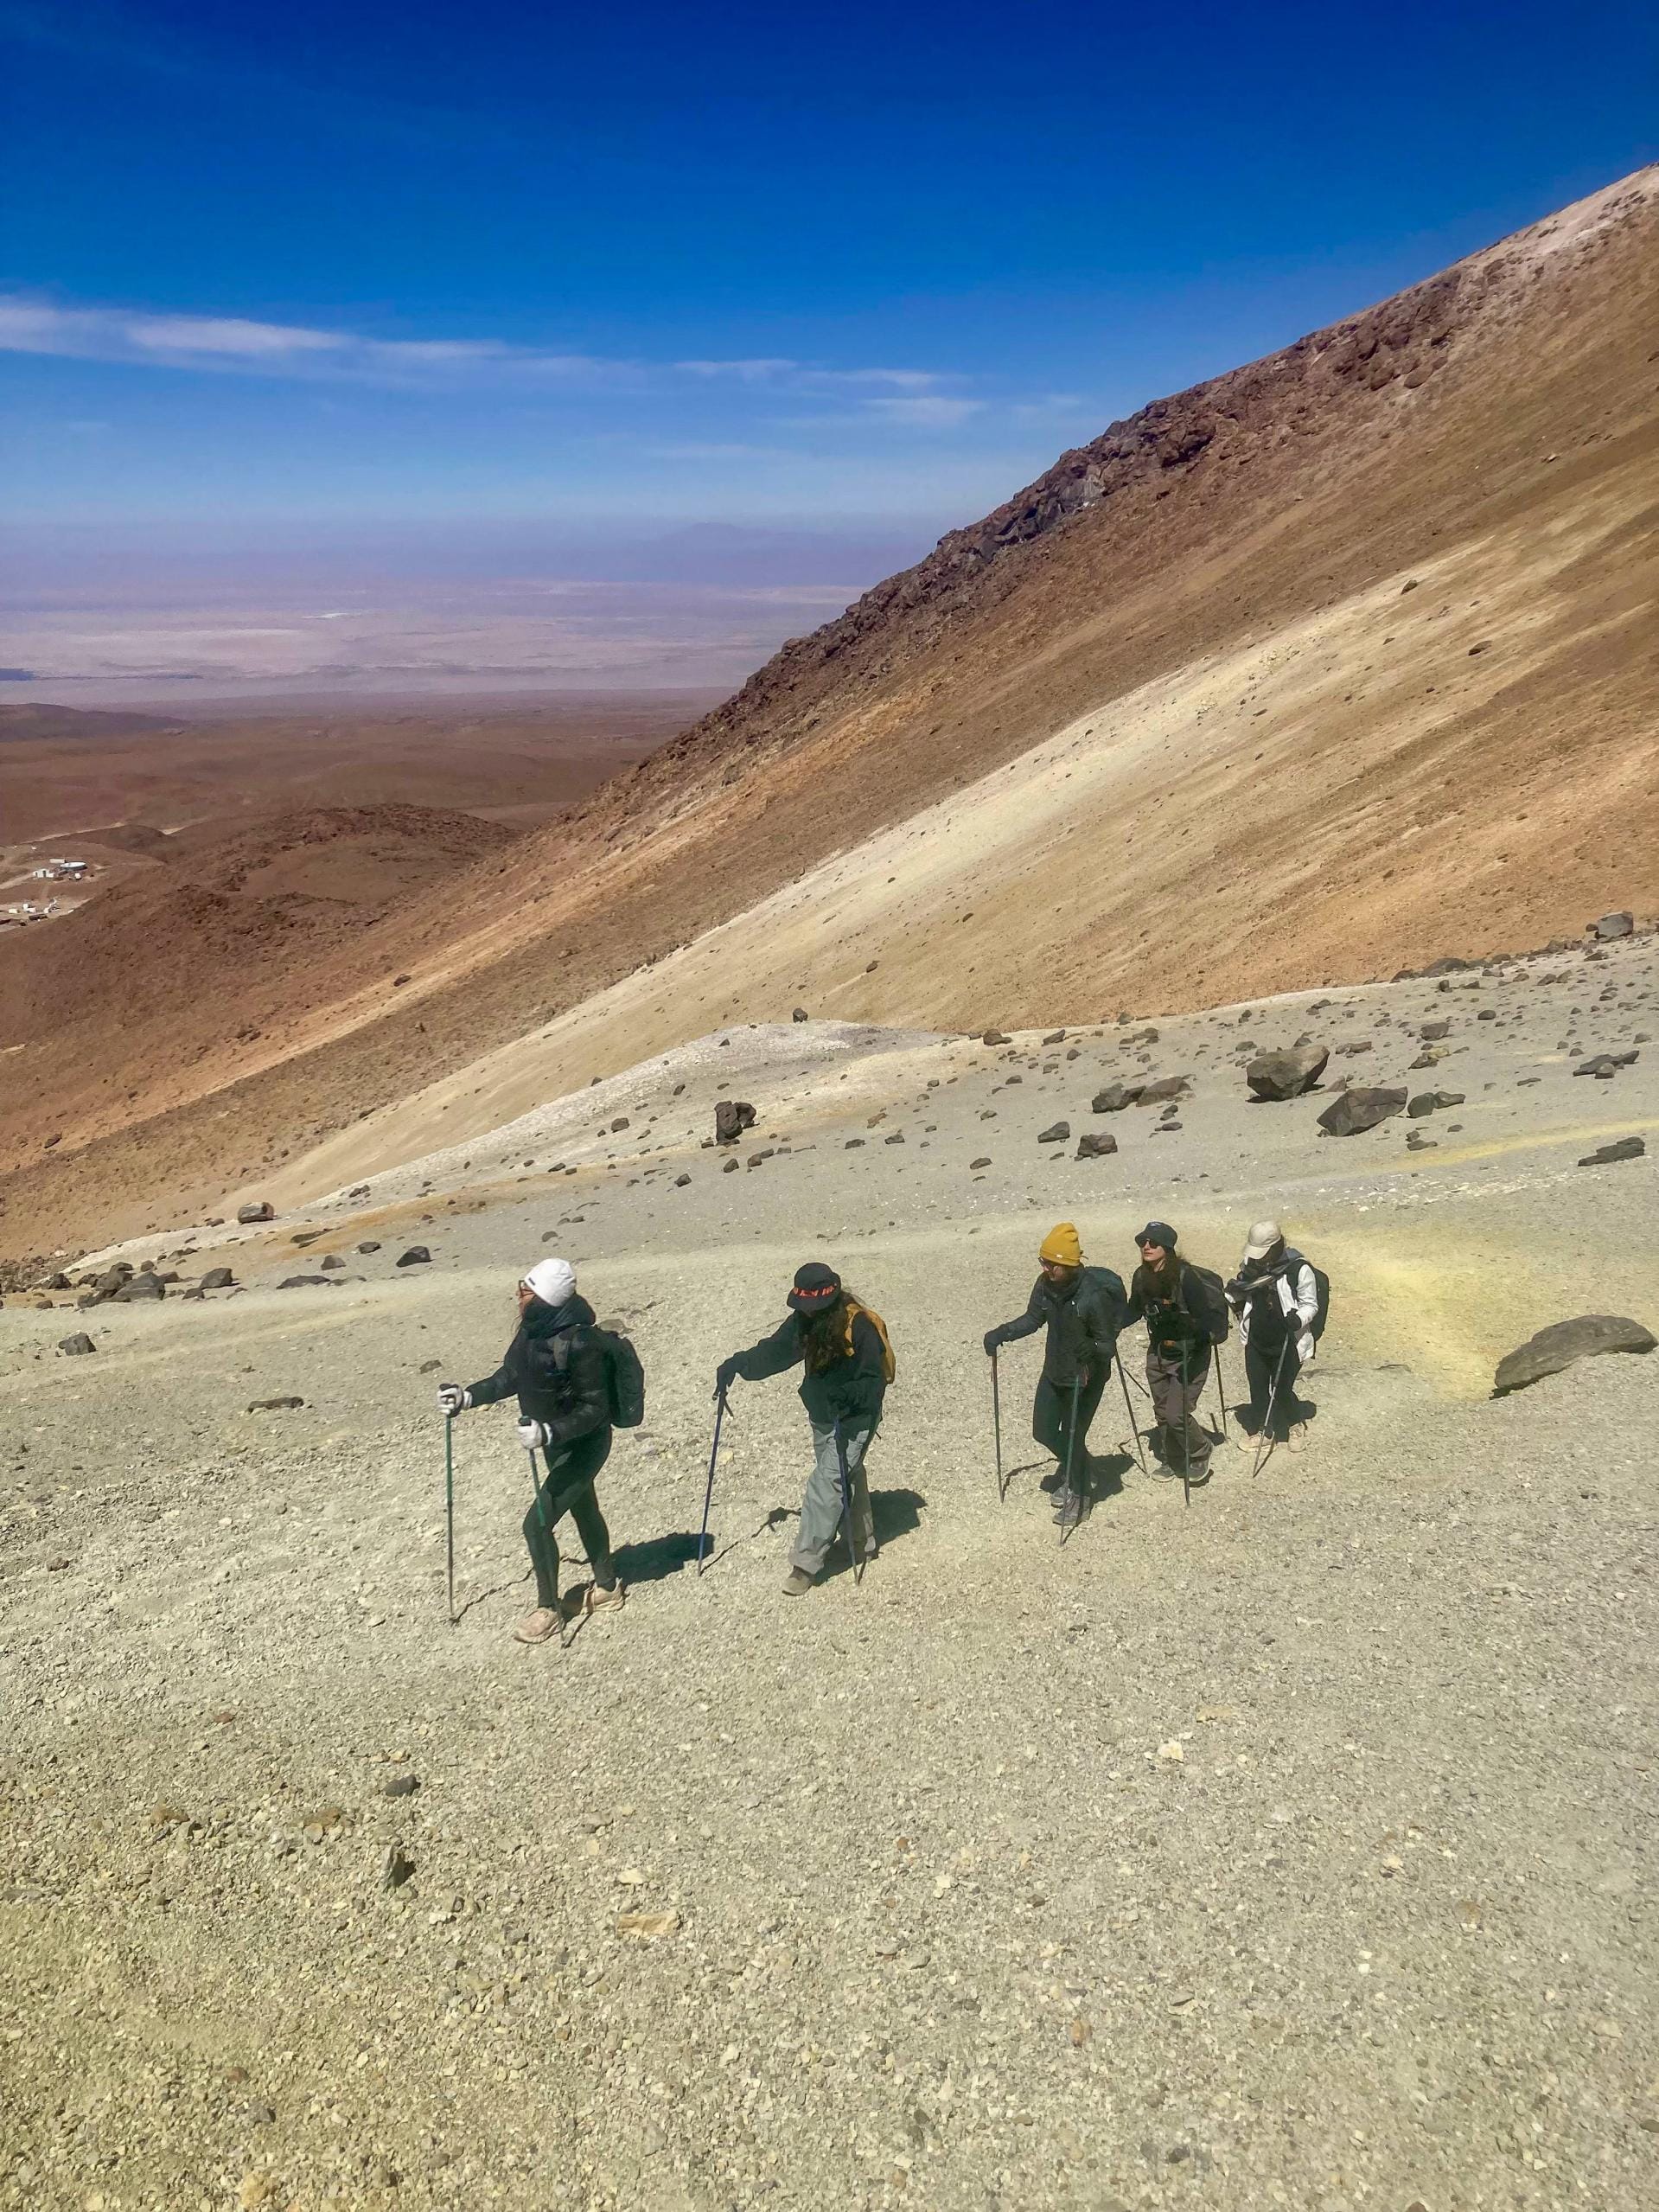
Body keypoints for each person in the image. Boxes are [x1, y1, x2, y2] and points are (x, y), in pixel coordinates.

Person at [437, 1256, 624, 1646]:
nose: (518, 1297)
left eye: (525, 1290)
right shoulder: (531, 1330)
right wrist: (467, 1397)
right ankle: (607, 1588)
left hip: (585, 1444)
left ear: (544, 1297)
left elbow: (595, 1409)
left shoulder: (582, 1342)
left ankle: (548, 1610)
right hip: (553, 1443)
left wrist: (548, 1432)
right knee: (583, 1507)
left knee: (536, 1523)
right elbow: (511, 1375)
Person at [715, 1263, 893, 1595]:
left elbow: (874, 1382)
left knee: (826, 1483)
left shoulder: (860, 1326)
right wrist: (739, 1364)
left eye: (813, 1307)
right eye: (804, 1307)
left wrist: (848, 1395)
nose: (808, 1312)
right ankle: (861, 1542)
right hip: (823, 1415)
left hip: (855, 1417)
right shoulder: (804, 1320)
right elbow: (776, 1351)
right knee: (845, 1475)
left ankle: (805, 1564)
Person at [982, 1222, 1126, 1530]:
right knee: (1044, 1431)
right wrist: (1002, 1333)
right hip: (1055, 1370)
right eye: (1043, 1261)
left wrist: (1091, 1348)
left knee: (1074, 1436)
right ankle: (1081, 1469)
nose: (1046, 1269)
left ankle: (1082, 1494)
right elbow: (1034, 1318)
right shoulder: (1045, 1285)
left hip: (1085, 1378)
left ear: (1069, 1265)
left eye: (1051, 1264)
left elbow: (1107, 1346)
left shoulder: (1093, 1296)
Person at [1123, 1221, 1226, 1486]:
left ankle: (1201, 1452)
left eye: (1153, 1242)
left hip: (1190, 1353)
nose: (1146, 1246)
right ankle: (1174, 1458)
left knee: (1177, 1414)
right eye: (1143, 1242)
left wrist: (1183, 1326)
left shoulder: (1185, 1277)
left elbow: (1204, 1319)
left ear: (1167, 1247)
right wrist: (1108, 1327)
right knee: (1162, 1411)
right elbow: (1134, 1309)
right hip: (1158, 1352)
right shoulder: (1141, 1276)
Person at [1225, 1219, 1318, 1451]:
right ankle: (1265, 1431)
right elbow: (1243, 1290)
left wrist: (1298, 1319)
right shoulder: (1250, 1267)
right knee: (1257, 1386)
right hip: (1256, 1338)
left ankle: (1295, 1424)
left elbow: (1310, 1305)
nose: (1258, 1259)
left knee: (1282, 1388)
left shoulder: (1298, 1270)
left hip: (1287, 1339)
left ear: (1275, 1248)